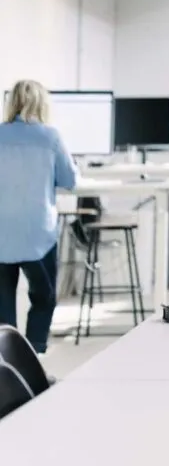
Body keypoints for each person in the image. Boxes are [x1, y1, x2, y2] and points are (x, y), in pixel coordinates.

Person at [0, 80, 77, 353]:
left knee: (3, 303)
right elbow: (70, 180)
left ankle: (7, 362)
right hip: (37, 234)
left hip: (1, 233)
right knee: (43, 298)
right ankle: (35, 352)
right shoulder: (51, 137)